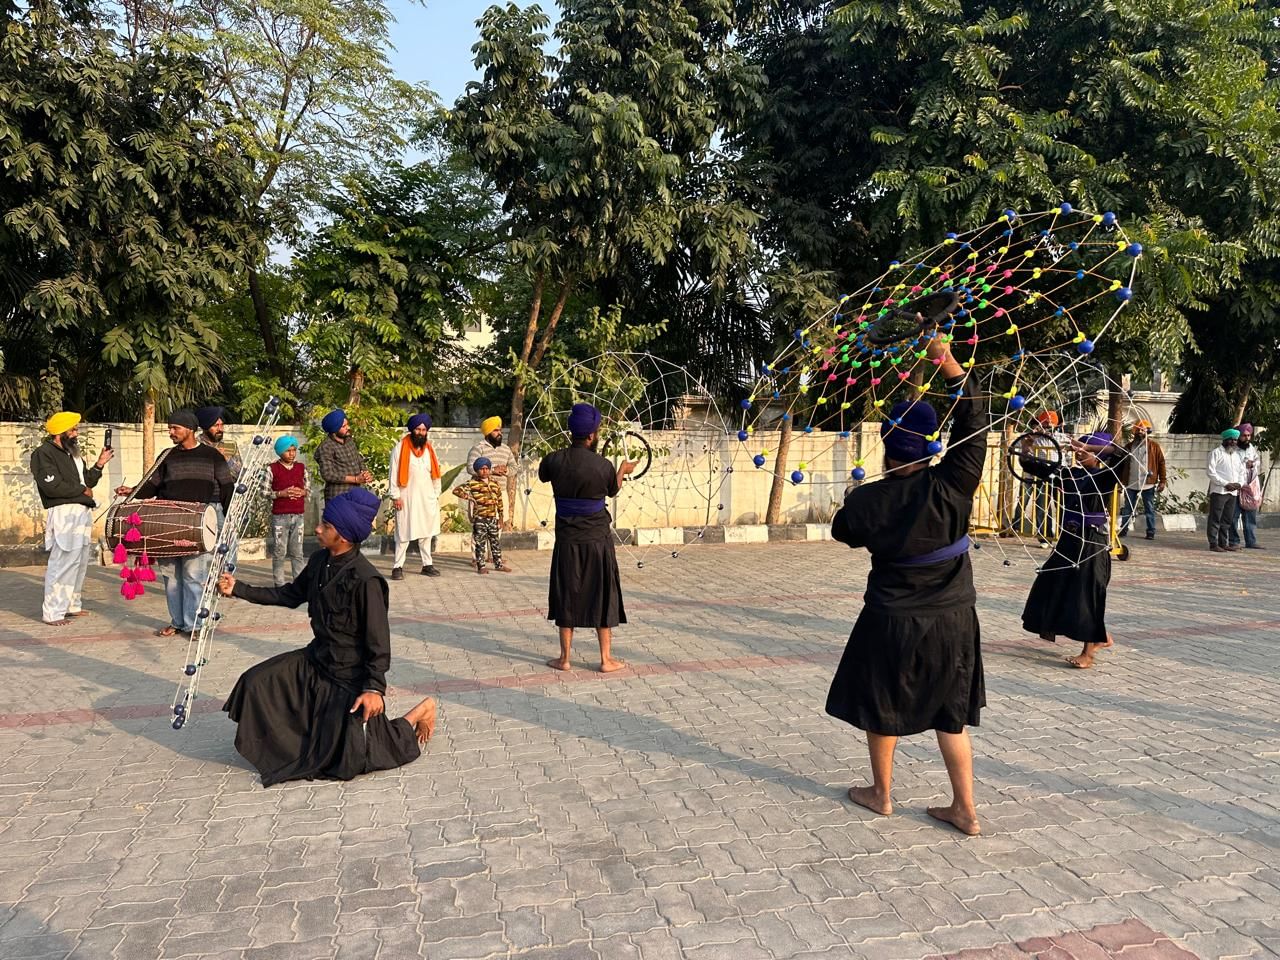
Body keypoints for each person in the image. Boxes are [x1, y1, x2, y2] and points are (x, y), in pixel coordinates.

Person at [824, 334, 985, 837]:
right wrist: (948, 362)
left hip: (891, 618)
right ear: (933, 443)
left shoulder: (868, 501)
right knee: (950, 715)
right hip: (954, 617)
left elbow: (843, 531)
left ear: (887, 445)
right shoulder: (955, 481)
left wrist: (860, 498)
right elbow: (975, 420)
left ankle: (882, 794)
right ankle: (965, 809)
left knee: (883, 702)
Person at [218, 489, 437, 787]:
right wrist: (239, 589)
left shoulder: (367, 580)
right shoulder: (320, 560)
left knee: (350, 760)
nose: (318, 529)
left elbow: (378, 643)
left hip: (349, 675)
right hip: (317, 659)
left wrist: (374, 688)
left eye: (327, 527)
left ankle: (417, 713)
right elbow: (290, 595)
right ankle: (294, 743)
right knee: (255, 682)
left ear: (344, 536)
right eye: (322, 523)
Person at [115, 410, 233, 637]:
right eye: (170, 428)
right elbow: (152, 486)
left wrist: (227, 521)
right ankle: (178, 622)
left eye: (175, 428)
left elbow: (226, 486)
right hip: (167, 523)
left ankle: (194, 625)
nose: (171, 432)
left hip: (197, 524)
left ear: (189, 429)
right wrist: (132, 490)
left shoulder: (212, 456)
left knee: (193, 576)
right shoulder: (166, 456)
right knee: (171, 577)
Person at [538, 403, 634, 674]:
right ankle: (606, 660)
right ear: (592, 435)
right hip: (597, 541)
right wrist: (622, 470)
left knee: (566, 592)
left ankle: (565, 659)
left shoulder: (553, 460)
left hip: (567, 541)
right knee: (602, 594)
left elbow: (544, 476)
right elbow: (613, 490)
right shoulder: (603, 466)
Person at [1020, 432, 1124, 669]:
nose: (1079, 452)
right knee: (1050, 582)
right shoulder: (1069, 474)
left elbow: (1121, 455)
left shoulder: (1105, 476)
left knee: (1087, 592)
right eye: (1079, 448)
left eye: (1087, 450)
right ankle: (1101, 637)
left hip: (1092, 541)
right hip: (1069, 539)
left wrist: (1090, 446)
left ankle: (1088, 653)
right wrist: (1026, 447)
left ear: (1098, 454)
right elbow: (1032, 465)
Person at [31, 412, 114, 625]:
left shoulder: (74, 453)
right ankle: (52, 612)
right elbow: (51, 485)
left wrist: (99, 464)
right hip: (64, 513)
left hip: (81, 513)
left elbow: (88, 482)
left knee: (79, 562)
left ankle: (71, 605)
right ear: (60, 433)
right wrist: (82, 490)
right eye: (73, 429)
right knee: (62, 563)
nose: (76, 433)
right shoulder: (44, 453)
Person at [388, 414, 442, 580]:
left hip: (427, 498)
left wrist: (435, 494)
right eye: (418, 429)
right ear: (412, 429)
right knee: (403, 533)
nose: (420, 432)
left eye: (423, 430)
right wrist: (395, 496)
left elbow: (436, 474)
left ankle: (427, 564)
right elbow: (393, 474)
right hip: (406, 497)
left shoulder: (429, 449)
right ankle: (397, 567)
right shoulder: (399, 448)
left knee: (427, 533)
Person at [262, 435, 310, 585]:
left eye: (294, 450)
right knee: (279, 552)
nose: (292, 454)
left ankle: (299, 584)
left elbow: (308, 489)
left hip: (298, 515)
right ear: (280, 452)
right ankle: (280, 585)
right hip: (280, 517)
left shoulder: (302, 468)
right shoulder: (272, 469)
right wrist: (281, 493)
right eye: (288, 451)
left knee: (298, 552)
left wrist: (302, 492)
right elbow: (263, 492)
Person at [453, 457, 511, 574]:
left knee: (495, 542)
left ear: (489, 470)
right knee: (480, 543)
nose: (484, 471)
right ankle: (481, 566)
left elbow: (499, 502)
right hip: (480, 518)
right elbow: (456, 490)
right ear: (477, 471)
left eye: (486, 468)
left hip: (492, 518)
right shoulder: (472, 483)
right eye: (481, 469)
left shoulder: (494, 483)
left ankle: (498, 564)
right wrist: (468, 497)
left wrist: (500, 518)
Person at [1118, 420, 1166, 541]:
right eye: (1138, 430)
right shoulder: (1129, 447)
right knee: (1128, 508)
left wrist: (1162, 481)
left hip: (1148, 483)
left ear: (1147, 431)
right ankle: (1123, 529)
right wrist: (1120, 482)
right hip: (1131, 482)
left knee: (1149, 508)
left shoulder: (1154, 446)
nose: (1141, 432)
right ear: (1134, 431)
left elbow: (1161, 463)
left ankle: (1150, 532)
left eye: (1143, 430)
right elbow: (1121, 465)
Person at [315, 408, 374, 506]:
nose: (348, 427)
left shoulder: (349, 440)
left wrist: (365, 473)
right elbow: (328, 474)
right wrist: (355, 479)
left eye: (347, 424)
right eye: (344, 426)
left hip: (355, 494)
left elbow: (358, 460)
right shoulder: (326, 447)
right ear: (334, 430)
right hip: (338, 496)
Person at [467, 416, 517, 526]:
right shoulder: (478, 448)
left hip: (500, 493)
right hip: (481, 493)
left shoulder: (506, 449)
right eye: (495, 430)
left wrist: (506, 470)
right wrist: (492, 470)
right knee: (480, 531)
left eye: (500, 430)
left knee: (497, 529)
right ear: (488, 432)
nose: (500, 433)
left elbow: (515, 468)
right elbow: (470, 468)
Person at [1207, 428, 1245, 553]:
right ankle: (1213, 544)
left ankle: (1223, 543)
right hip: (1219, 491)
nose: (1234, 442)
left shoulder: (1237, 455)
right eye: (1231, 440)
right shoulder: (1216, 453)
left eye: (1235, 440)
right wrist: (1225, 484)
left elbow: (1242, 473)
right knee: (1215, 518)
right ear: (1225, 440)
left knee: (1227, 519)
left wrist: (1238, 484)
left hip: (1233, 492)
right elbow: (1211, 472)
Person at [1229, 423, 1264, 550]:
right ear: (1239, 437)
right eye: (1244, 435)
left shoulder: (1251, 448)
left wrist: (1253, 464)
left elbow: (1257, 460)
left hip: (1250, 487)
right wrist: (1245, 464)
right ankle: (1233, 541)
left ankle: (1251, 541)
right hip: (1238, 487)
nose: (1247, 438)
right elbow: (1233, 466)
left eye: (1249, 435)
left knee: (1250, 516)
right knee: (1233, 516)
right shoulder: (1233, 449)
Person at [196, 406, 241, 477]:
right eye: (216, 425)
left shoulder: (230, 445)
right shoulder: (194, 445)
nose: (220, 429)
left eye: (222, 425)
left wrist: (226, 459)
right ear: (205, 427)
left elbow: (240, 474)